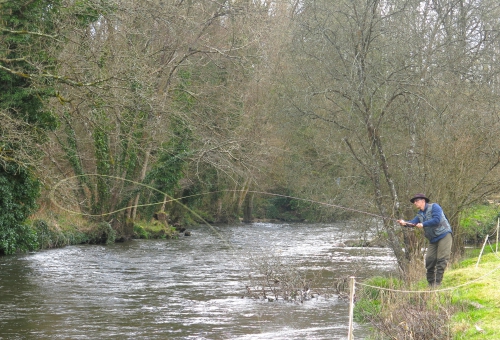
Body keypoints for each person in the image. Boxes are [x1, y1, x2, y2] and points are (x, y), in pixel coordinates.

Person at [397, 193, 453, 287]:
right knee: (429, 260)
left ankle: (437, 283)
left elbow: (436, 220)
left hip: (444, 235)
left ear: (423, 201)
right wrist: (404, 223)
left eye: (416, 201)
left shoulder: (435, 207)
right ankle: (430, 284)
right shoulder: (420, 214)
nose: (415, 203)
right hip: (432, 239)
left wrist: (423, 224)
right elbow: (413, 222)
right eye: (414, 202)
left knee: (441, 259)